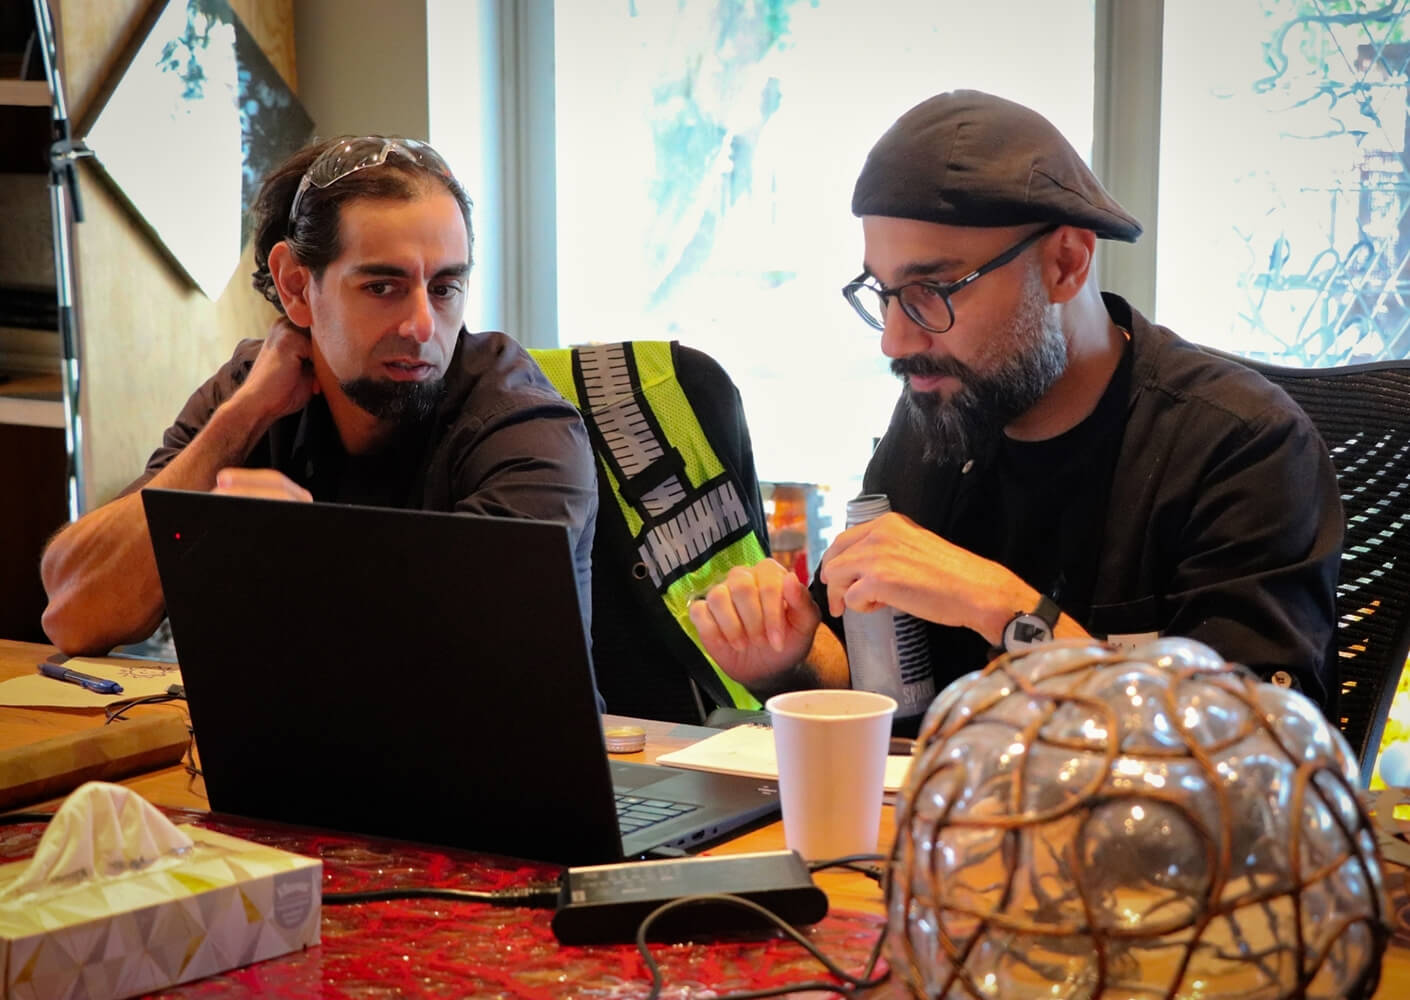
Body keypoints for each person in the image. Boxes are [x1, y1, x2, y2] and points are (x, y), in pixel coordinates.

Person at [688, 90, 1342, 720]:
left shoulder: (1241, 446)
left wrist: (1002, 608)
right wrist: (785, 657)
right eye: (884, 293)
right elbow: (880, 679)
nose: (895, 340)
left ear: (1066, 263)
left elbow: (1256, 749)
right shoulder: (938, 414)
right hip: (944, 795)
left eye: (934, 288)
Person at [40, 136, 598, 657]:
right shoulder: (250, 392)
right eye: (382, 287)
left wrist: (304, 554)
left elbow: (463, 662)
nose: (422, 326)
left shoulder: (525, 429)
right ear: (296, 286)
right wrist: (239, 421)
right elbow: (73, 612)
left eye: (445, 288)